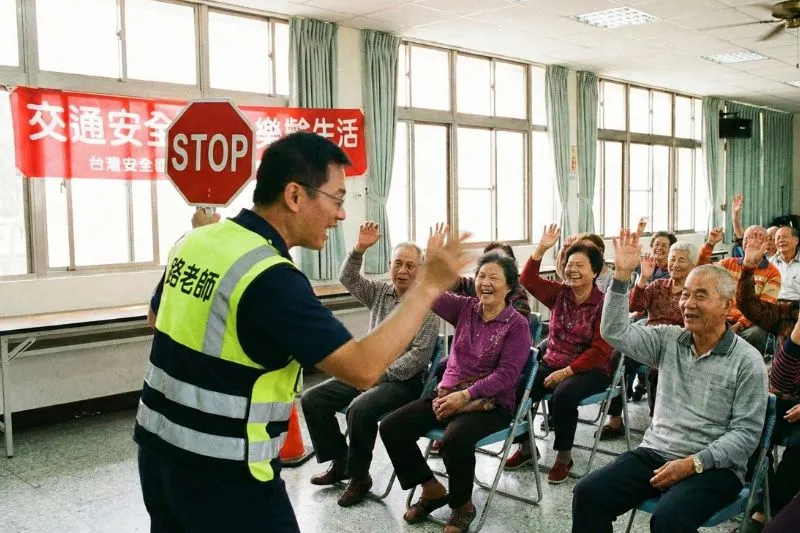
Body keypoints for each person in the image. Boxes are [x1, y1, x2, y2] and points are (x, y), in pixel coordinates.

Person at [137, 132, 469, 533]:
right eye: (338, 199)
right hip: (225, 470)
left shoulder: (197, 240)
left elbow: (156, 318)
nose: (341, 215)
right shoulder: (271, 276)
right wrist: (429, 285)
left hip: (157, 450)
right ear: (295, 196)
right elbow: (362, 368)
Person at [572, 229, 768, 533]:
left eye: (701, 296)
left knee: (668, 519)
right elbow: (614, 332)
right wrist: (623, 276)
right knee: (588, 493)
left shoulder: (747, 360)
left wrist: (693, 463)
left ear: (727, 306)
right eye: (686, 294)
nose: (688, 303)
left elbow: (745, 435)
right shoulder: (669, 339)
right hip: (656, 452)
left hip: (715, 467)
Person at [379, 250, 530, 533]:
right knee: (391, 427)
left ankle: (462, 506)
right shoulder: (464, 308)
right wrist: (431, 264)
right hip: (447, 394)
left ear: (510, 286)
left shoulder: (517, 325)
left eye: (494, 277)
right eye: (481, 275)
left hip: (491, 404)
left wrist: (465, 396)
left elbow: (507, 376)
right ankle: (431, 488)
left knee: (455, 438)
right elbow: (426, 291)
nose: (485, 282)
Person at [300, 221, 440, 507]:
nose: (403, 271)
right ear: (390, 265)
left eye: (411, 266)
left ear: (420, 270)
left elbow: (419, 357)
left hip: (404, 382)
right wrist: (359, 248)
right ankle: (340, 461)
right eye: (398, 264)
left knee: (360, 408)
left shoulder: (426, 307)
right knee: (313, 398)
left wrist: (378, 375)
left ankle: (359, 477)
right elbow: (347, 277)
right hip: (367, 370)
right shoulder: (379, 293)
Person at [505, 224, 613, 483]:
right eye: (569, 264)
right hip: (553, 361)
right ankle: (526, 446)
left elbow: (601, 350)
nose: (572, 270)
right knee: (514, 388)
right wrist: (541, 248)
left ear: (595, 272)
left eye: (580, 266)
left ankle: (564, 457)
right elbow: (528, 280)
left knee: (563, 396)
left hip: (590, 370)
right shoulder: (559, 294)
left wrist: (567, 372)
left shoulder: (604, 303)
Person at [733, 235, 800, 533]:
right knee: (745, 424)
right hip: (783, 399)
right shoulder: (790, 313)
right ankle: (761, 495)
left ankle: (762, 514)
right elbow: (749, 305)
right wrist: (748, 268)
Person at [599, 242, 698, 439]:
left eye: (681, 260)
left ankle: (658, 422)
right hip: (650, 339)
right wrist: (643, 278)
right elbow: (635, 305)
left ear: (693, 264)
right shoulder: (659, 285)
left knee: (659, 367)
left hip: (679, 343)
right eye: (672, 259)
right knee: (617, 355)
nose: (675, 264)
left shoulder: (695, 291)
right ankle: (615, 417)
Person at [699, 225, 782, 352]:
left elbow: (762, 307)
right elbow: (700, 273)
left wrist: (739, 325)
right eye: (747, 238)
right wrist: (710, 244)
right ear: (742, 243)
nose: (751, 242)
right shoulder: (727, 264)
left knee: (755, 334)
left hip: (749, 323)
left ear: (766, 245)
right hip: (721, 317)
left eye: (758, 238)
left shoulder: (772, 272)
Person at [772, 226, 800, 302]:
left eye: (784, 237)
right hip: (774, 306)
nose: (781, 240)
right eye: (778, 238)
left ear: (796, 241)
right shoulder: (771, 263)